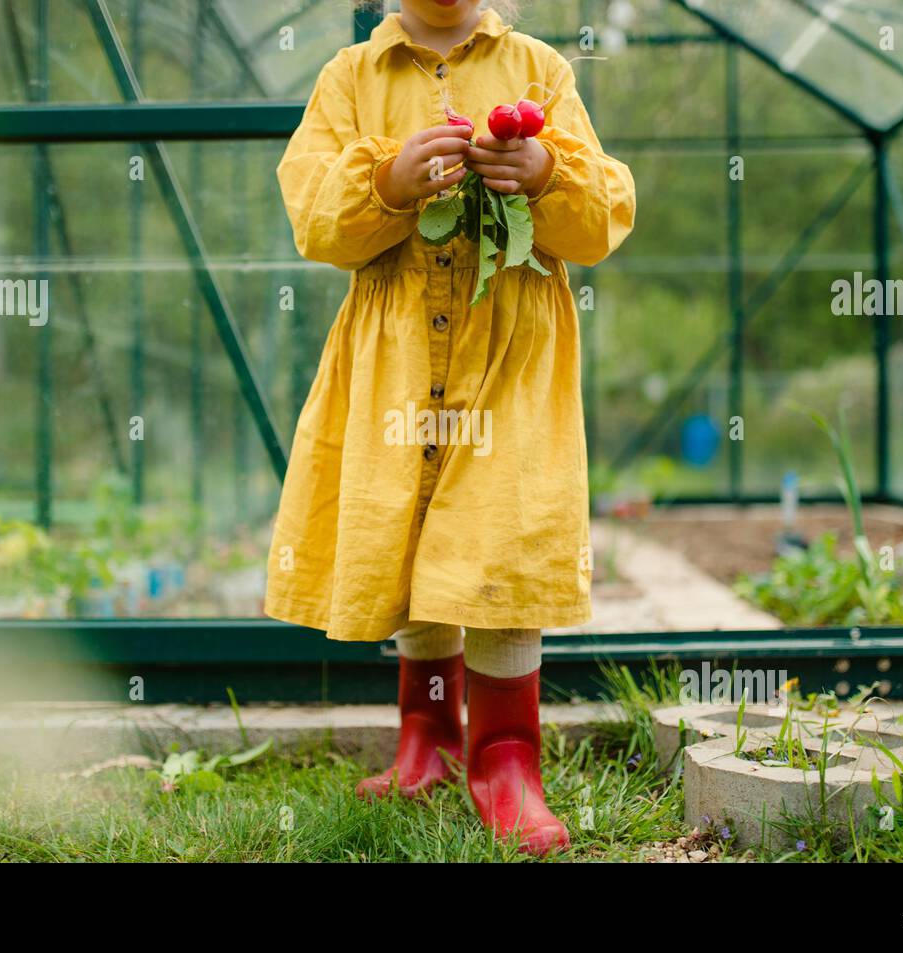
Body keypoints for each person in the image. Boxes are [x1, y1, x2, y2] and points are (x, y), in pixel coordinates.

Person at [265, 0, 635, 855]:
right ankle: (424, 739)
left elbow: (602, 219)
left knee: (501, 535)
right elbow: (313, 216)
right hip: (395, 349)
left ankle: (506, 756)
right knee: (408, 527)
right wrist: (389, 183)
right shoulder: (350, 77)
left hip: (511, 349)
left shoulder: (540, 67)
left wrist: (543, 170)